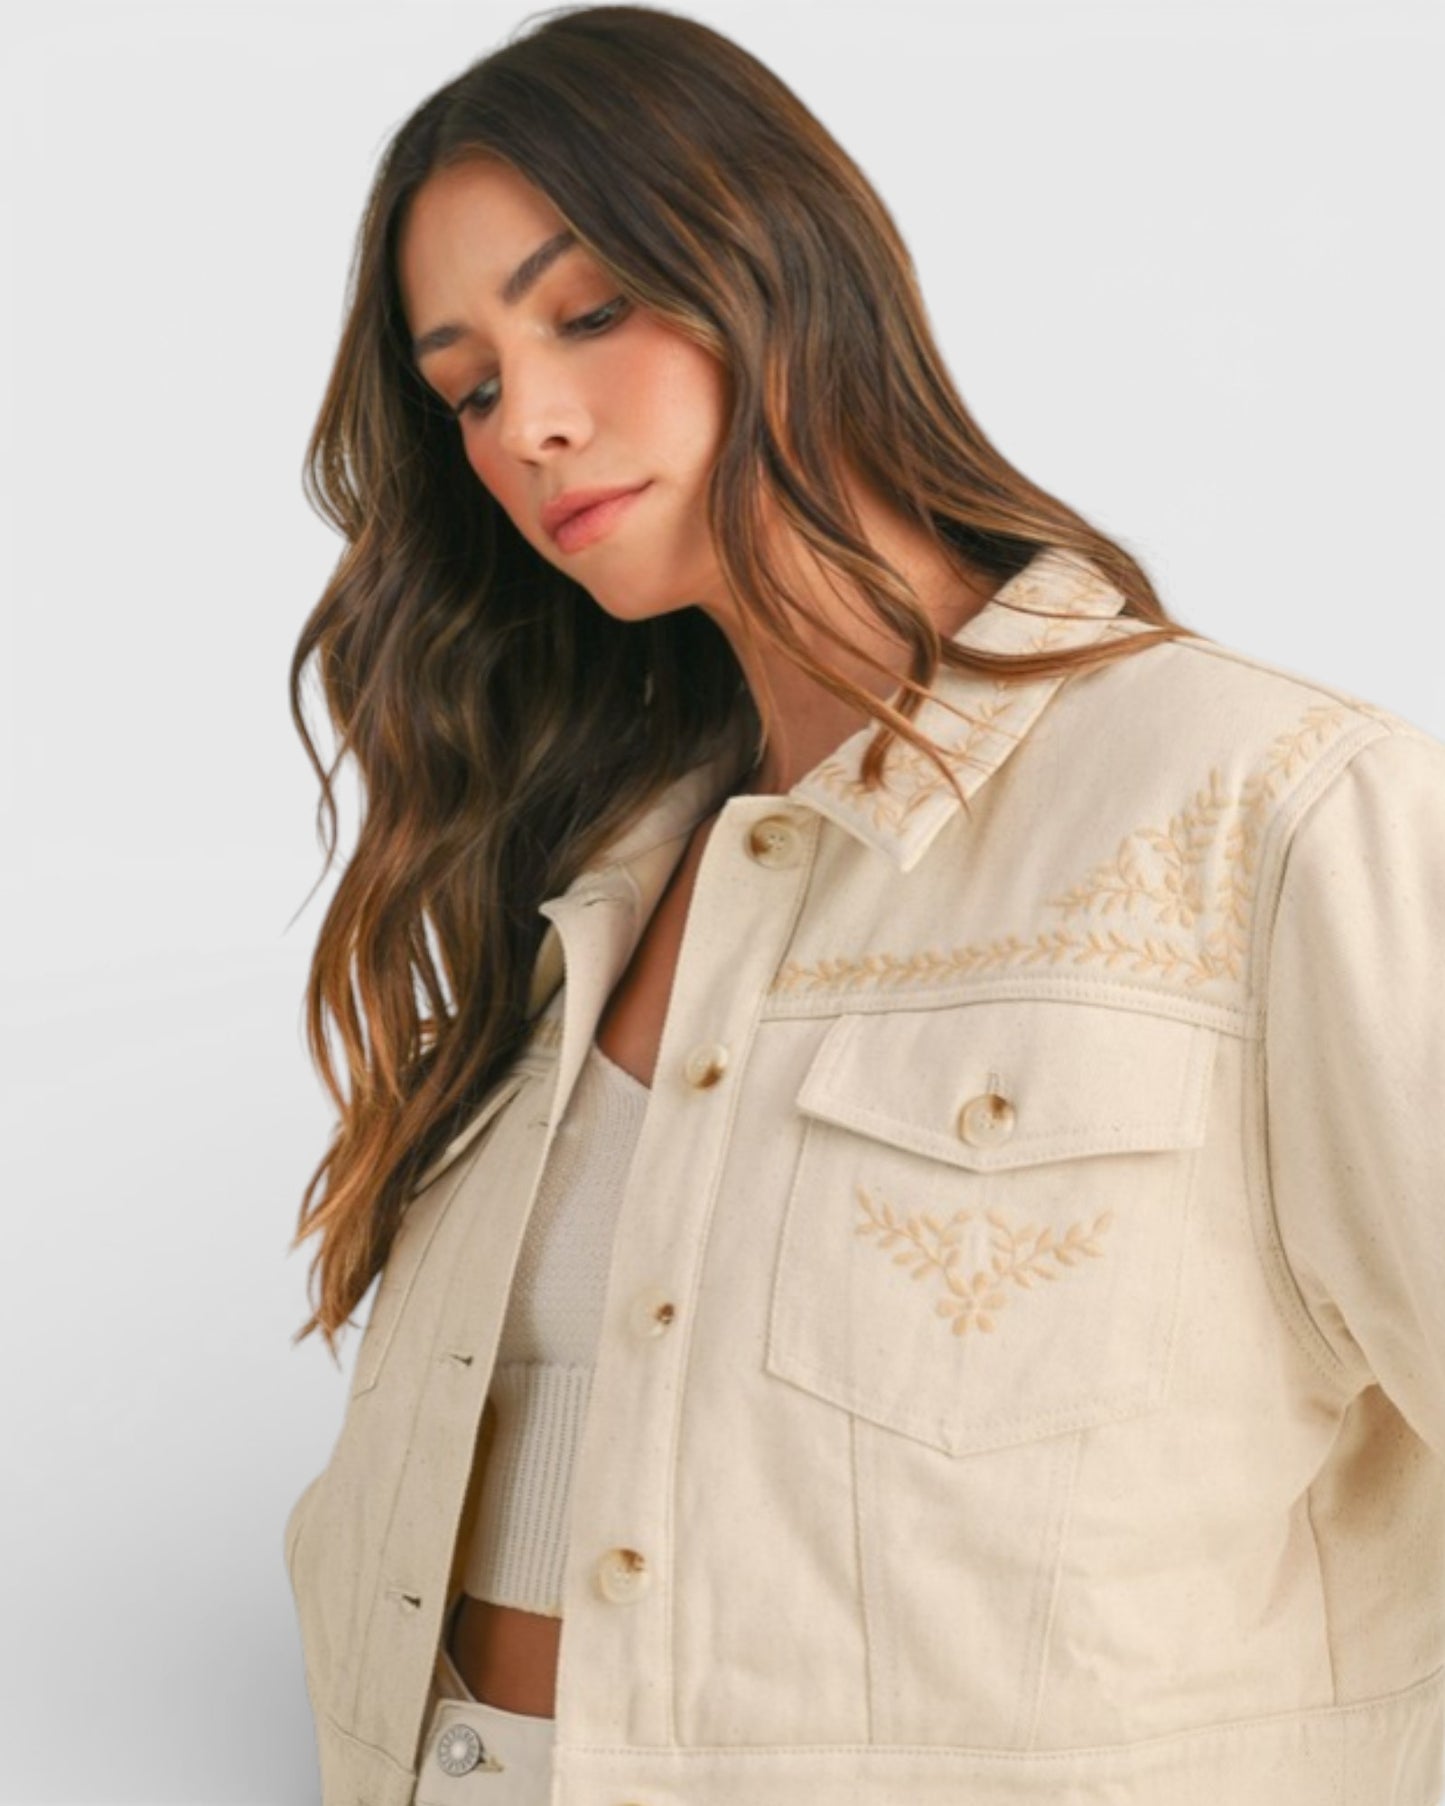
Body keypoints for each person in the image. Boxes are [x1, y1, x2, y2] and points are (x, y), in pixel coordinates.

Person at [281, 6, 1445, 1804]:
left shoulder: (1267, 806)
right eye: (470, 387)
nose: (534, 425)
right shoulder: (584, 873)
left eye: (587, 311)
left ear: (783, 268)